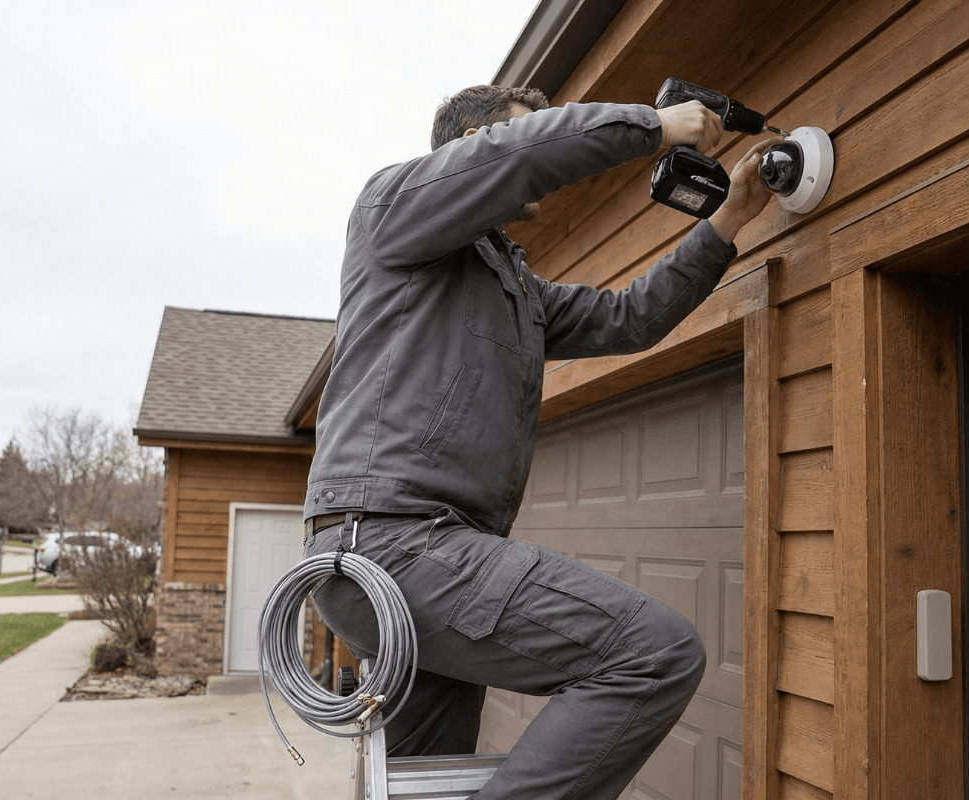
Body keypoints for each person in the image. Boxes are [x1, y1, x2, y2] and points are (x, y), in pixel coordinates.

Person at [303, 84, 775, 800]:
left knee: (420, 777)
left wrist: (730, 217)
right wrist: (653, 125)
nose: (544, 144)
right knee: (654, 653)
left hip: (424, 551)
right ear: (470, 146)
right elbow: (519, 154)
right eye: (533, 129)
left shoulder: (512, 287)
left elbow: (629, 318)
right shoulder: (389, 209)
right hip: (393, 543)